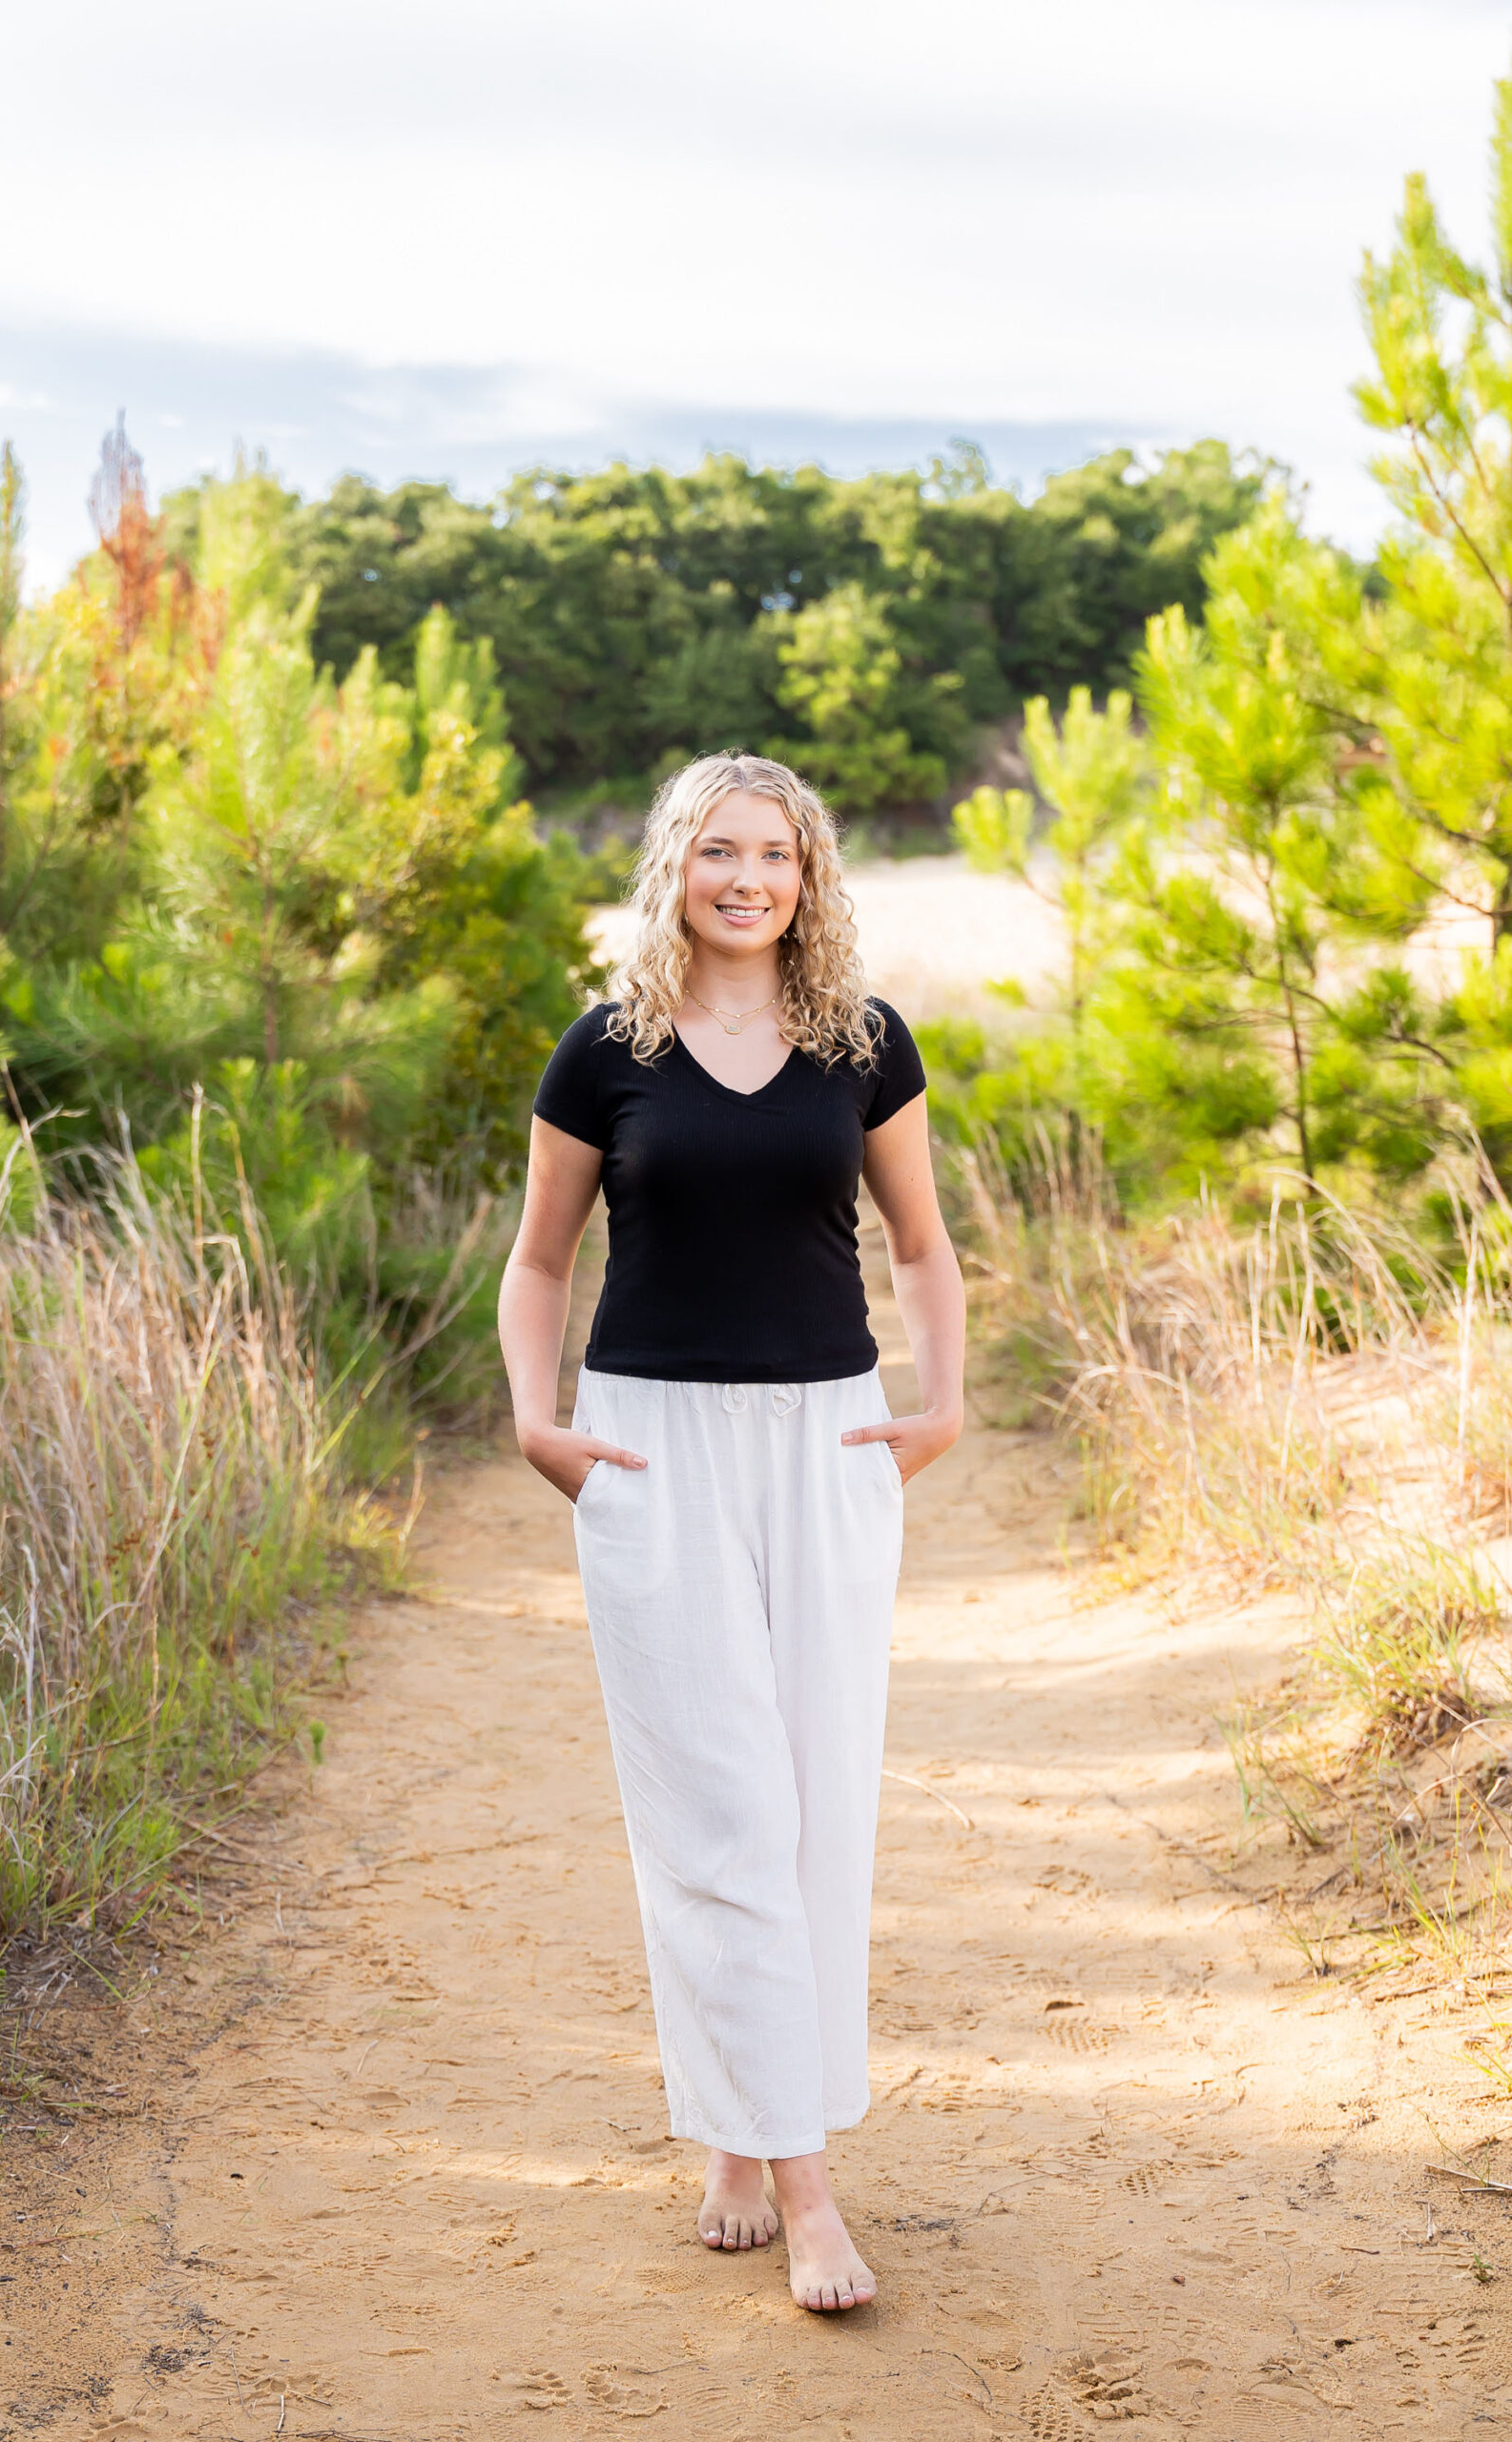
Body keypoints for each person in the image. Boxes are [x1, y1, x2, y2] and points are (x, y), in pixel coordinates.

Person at [497, 752, 964, 2313]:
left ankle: (735, 2134)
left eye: (775, 854)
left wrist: (941, 1401)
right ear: (673, 869)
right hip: (653, 1446)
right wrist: (532, 1414)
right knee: (715, 1815)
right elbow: (539, 1259)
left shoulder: (862, 1045)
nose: (746, 878)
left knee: (815, 1805)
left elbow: (922, 1244)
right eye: (718, 852)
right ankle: (808, 2185)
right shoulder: (606, 1049)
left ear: (811, 877)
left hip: (827, 1445)